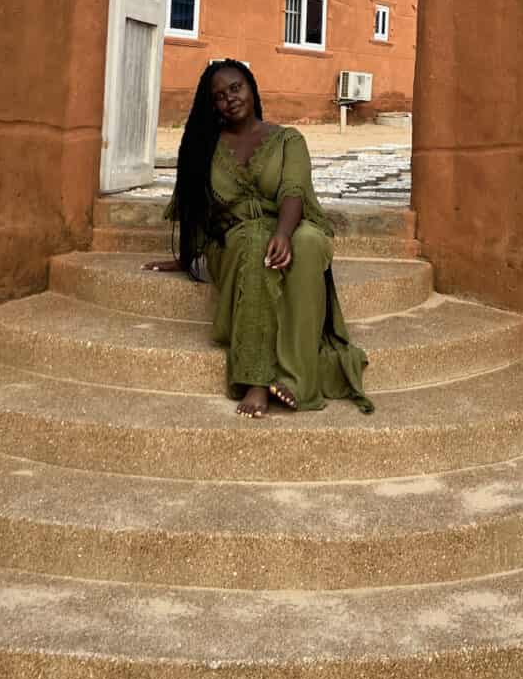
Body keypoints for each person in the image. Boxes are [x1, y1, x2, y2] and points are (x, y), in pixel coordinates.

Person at [146, 59, 373, 419]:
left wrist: (283, 233)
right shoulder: (203, 147)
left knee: (309, 244)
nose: (230, 99)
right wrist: (187, 257)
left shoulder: (287, 139)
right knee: (255, 244)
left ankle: (296, 380)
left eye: (236, 88)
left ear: (252, 87)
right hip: (235, 237)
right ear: (212, 105)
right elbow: (193, 207)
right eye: (219, 96)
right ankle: (257, 376)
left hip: (290, 222)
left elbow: (293, 191)